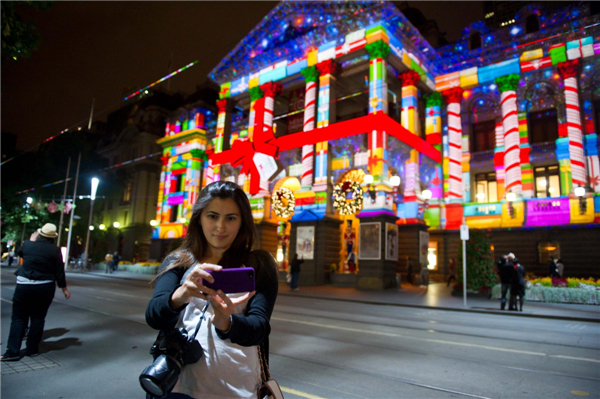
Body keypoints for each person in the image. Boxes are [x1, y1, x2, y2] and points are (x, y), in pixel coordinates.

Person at [145, 181, 278, 399]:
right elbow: (153, 317)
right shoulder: (179, 262)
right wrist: (180, 295)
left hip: (237, 390)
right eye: (212, 216)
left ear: (242, 221)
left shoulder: (259, 265)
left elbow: (260, 328)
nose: (220, 227)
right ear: (199, 218)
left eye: (231, 218)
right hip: (179, 386)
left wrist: (227, 322)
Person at [1, 224, 71, 362]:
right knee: (38, 319)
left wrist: (31, 241)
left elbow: (19, 252)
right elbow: (59, 270)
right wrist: (64, 288)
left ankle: (12, 352)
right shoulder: (55, 250)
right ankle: (32, 350)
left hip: (24, 286)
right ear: (52, 237)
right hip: (45, 287)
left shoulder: (28, 244)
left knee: (18, 319)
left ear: (40, 234)